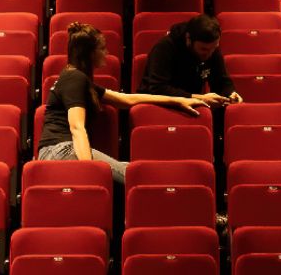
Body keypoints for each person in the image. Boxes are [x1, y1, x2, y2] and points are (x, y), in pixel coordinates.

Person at [36, 21, 206, 185]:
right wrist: (89, 170)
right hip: (61, 150)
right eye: (102, 48)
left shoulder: (78, 79)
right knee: (135, 176)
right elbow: (77, 127)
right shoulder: (75, 78)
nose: (106, 53)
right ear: (89, 53)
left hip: (59, 150)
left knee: (131, 171)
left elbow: (127, 99)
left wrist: (178, 100)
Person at [138, 13, 240, 108]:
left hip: (192, 104)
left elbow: (222, 81)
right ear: (188, 39)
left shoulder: (211, 49)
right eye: (203, 49)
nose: (209, 54)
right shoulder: (165, 47)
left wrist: (231, 94)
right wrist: (199, 97)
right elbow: (158, 88)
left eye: (214, 48)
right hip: (157, 105)